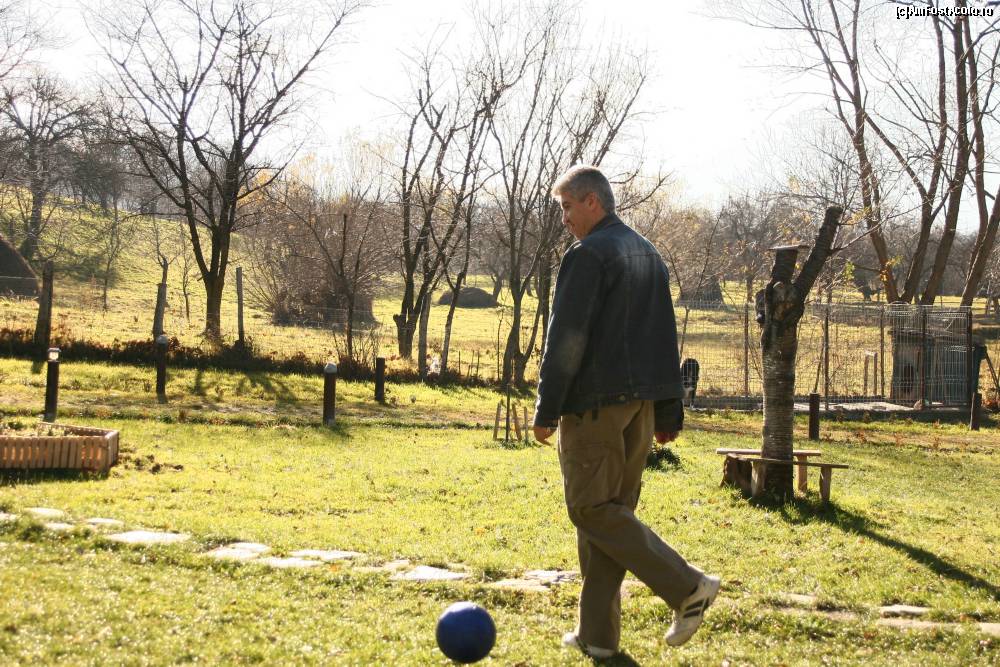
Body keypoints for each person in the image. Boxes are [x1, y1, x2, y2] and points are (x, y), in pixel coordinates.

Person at [532, 165, 720, 658]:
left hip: (594, 407)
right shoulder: (648, 253)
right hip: (639, 409)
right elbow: (663, 337)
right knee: (610, 519)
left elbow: (566, 339)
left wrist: (547, 408)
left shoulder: (588, 254)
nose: (565, 219)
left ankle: (688, 587)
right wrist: (668, 411)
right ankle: (597, 637)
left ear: (592, 202)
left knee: (591, 510)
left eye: (568, 207)